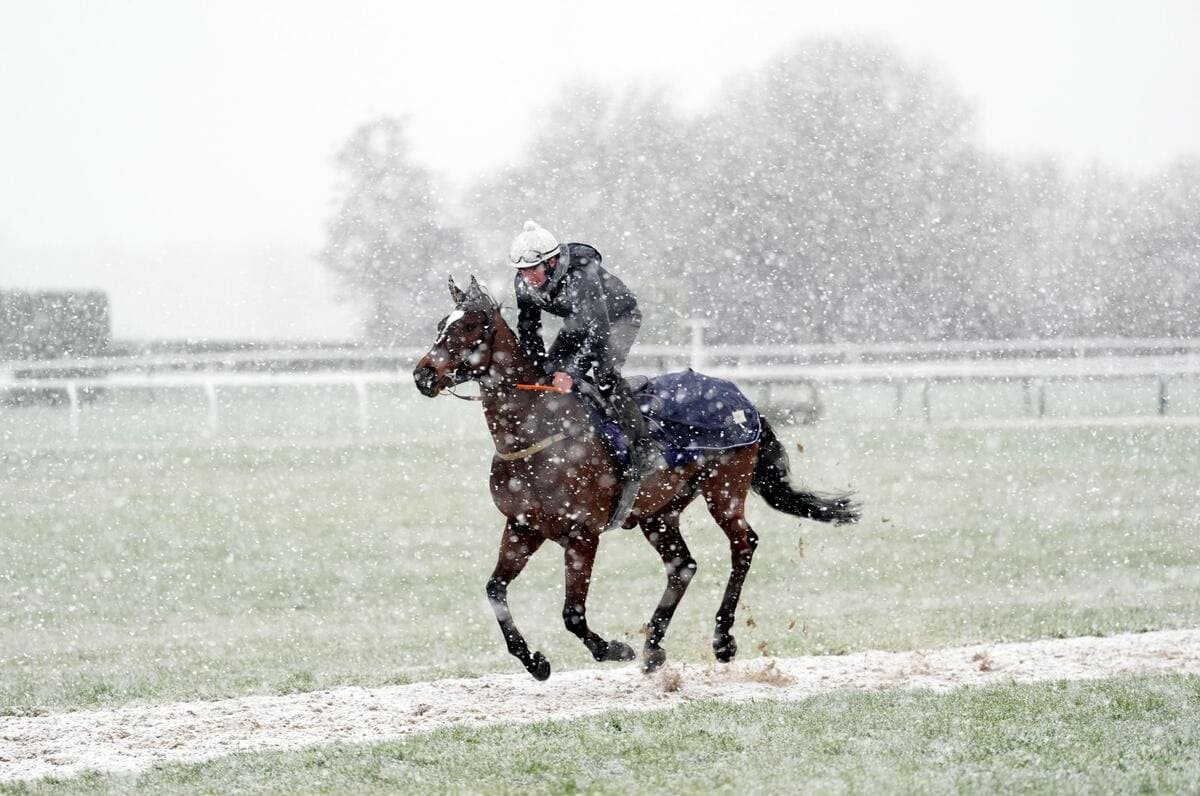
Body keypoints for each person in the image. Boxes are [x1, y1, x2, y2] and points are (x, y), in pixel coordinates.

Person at [509, 219, 662, 530]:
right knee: (550, 374)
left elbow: (599, 333)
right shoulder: (524, 281)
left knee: (604, 374)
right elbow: (528, 330)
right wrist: (542, 370)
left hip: (616, 319)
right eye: (522, 271)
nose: (528, 278)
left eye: (533, 269)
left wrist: (574, 371)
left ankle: (643, 447)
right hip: (579, 324)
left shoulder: (582, 273)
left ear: (551, 261)